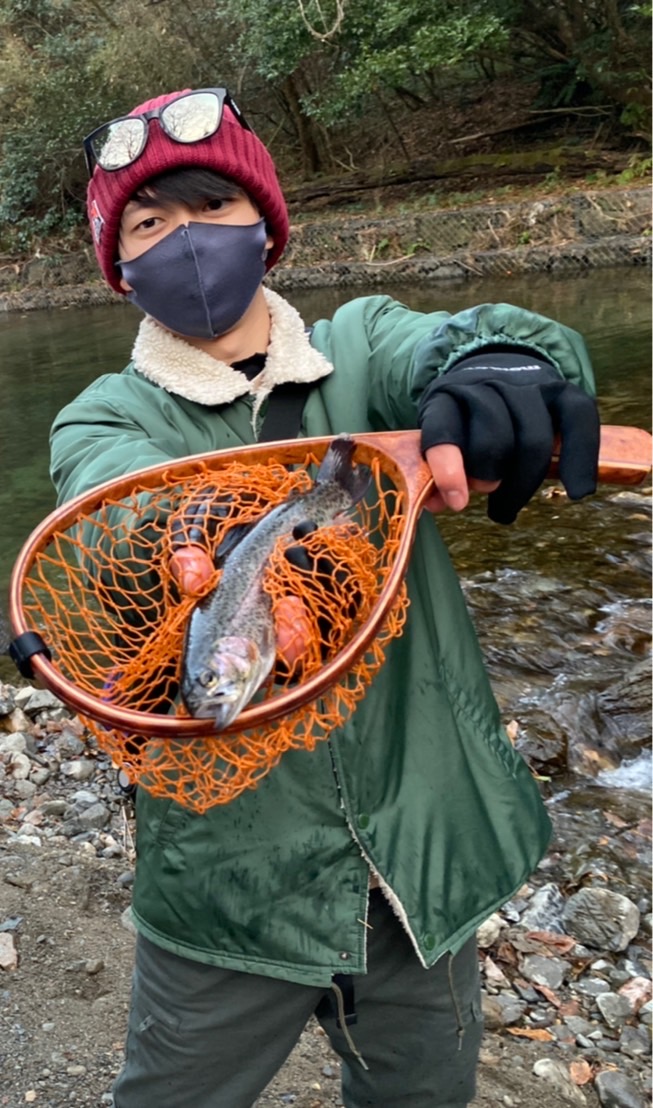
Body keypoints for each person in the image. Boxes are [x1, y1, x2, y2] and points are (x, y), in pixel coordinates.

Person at [50, 86, 600, 1108]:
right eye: (148, 223)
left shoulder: (365, 343)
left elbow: (452, 337)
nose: (186, 239)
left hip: (419, 859)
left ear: (265, 225)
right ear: (118, 268)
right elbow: (104, 515)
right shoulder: (102, 416)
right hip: (224, 887)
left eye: (212, 204)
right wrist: (201, 530)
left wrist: (502, 365)